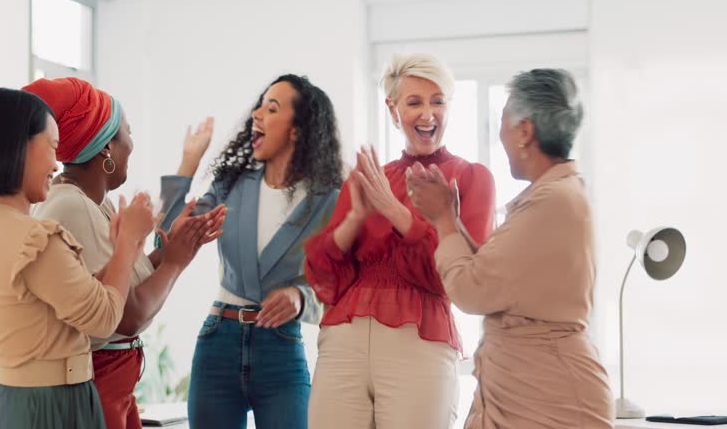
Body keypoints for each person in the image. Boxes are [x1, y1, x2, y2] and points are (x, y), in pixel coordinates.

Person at [408, 68, 614, 429]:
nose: (499, 135)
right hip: (525, 389)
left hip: (549, 396)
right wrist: (453, 220)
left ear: (525, 131)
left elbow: (473, 290)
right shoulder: (554, 197)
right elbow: (495, 275)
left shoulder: (554, 202)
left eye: (502, 122)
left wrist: (442, 220)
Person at [304, 53, 495, 429]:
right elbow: (326, 278)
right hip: (344, 341)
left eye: (437, 101)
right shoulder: (369, 177)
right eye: (414, 102)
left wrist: (395, 212)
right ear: (393, 110)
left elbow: (461, 277)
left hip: (420, 340)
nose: (428, 114)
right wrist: (357, 216)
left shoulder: (471, 178)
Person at [22, 77, 226, 429]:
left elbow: (124, 279)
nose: (133, 143)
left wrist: (169, 254)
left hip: (112, 383)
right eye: (127, 132)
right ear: (106, 149)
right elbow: (125, 315)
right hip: (96, 383)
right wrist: (176, 261)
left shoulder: (86, 202)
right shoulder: (73, 207)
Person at [0, 87, 156, 428]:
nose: (56, 163)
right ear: (19, 147)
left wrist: (128, 249)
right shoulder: (36, 239)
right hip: (49, 403)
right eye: (51, 147)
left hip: (11, 395)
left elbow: (67, 297)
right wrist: (126, 244)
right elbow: (106, 317)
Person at [158, 74, 343, 429]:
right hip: (218, 343)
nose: (256, 114)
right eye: (259, 105)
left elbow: (341, 285)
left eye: (271, 108)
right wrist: (188, 163)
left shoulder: (328, 200)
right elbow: (165, 236)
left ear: (298, 130)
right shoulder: (230, 184)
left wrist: (301, 298)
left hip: (281, 349)